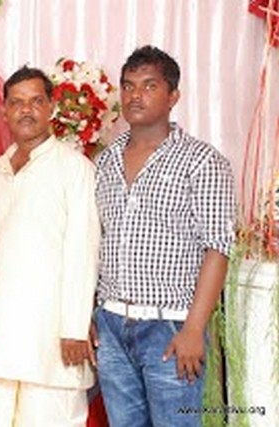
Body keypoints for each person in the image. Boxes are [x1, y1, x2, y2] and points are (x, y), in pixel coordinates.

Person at [93, 46, 236, 426]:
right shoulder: (104, 161)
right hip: (111, 326)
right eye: (128, 86)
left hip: (170, 328)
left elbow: (218, 248)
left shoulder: (202, 161)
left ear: (173, 96)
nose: (135, 95)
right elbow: (95, 241)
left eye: (149, 86)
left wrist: (194, 329)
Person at [0, 66, 100, 426]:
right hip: (1, 334)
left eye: (35, 101)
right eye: (16, 103)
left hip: (53, 337)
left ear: (50, 108)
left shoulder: (74, 168)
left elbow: (84, 250)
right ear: (4, 111)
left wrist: (74, 327)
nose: (25, 110)